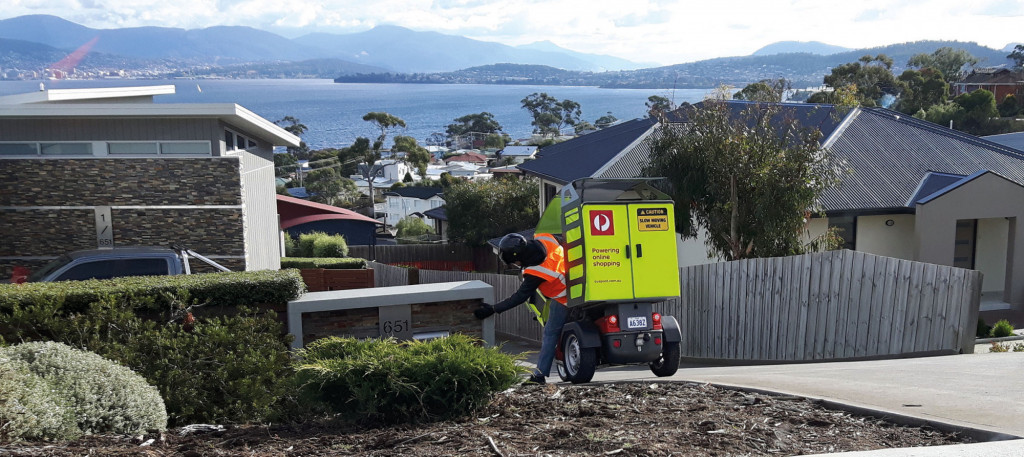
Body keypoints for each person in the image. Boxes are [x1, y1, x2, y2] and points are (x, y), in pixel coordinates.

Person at [474, 232, 567, 384]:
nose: (516, 265)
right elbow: (564, 239)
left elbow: (519, 297)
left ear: (520, 257)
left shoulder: (536, 272)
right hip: (577, 285)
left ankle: (539, 376)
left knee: (550, 334)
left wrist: (492, 309)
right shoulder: (545, 238)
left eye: (515, 262)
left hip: (564, 298)